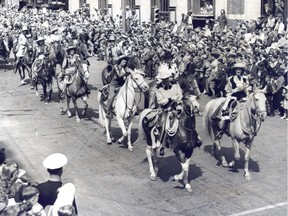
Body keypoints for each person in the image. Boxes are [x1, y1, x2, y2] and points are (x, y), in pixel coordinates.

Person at [153, 63, 183, 156]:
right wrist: (170, 99)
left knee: (188, 117)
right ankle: (162, 144)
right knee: (164, 125)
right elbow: (160, 101)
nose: (166, 81)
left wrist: (177, 99)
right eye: (164, 79)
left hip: (177, 106)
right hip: (165, 110)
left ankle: (194, 138)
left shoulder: (175, 84)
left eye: (167, 78)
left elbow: (180, 95)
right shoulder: (157, 88)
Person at [219, 62, 250, 134]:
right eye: (237, 70)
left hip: (243, 98)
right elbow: (228, 91)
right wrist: (234, 90)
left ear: (242, 71)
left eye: (240, 70)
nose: (238, 71)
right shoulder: (231, 79)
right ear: (234, 70)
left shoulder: (245, 79)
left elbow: (247, 90)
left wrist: (246, 92)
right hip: (234, 98)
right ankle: (225, 126)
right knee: (228, 109)